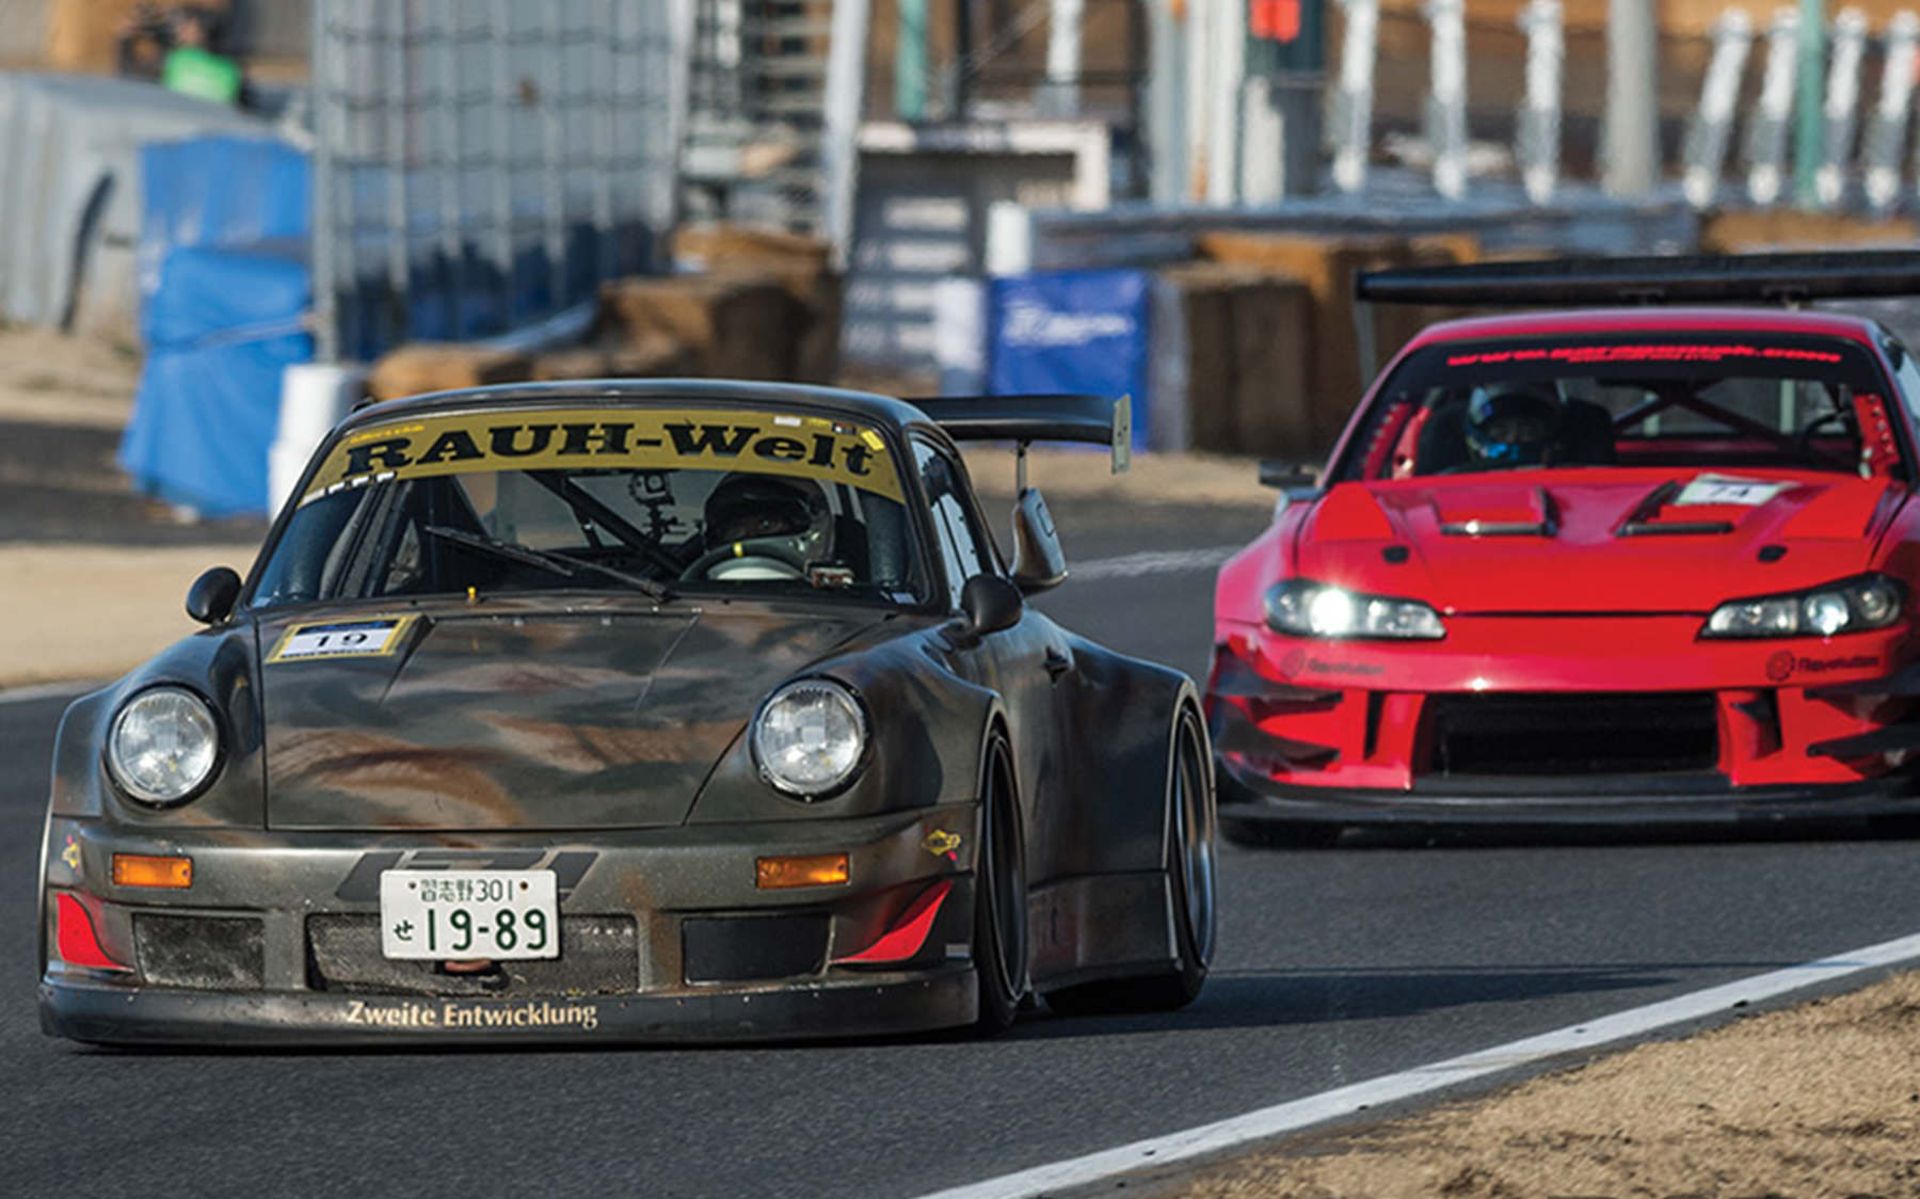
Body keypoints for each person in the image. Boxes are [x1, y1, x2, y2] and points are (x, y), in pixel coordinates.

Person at [1463, 385, 1567, 468]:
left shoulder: (1569, 480)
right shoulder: (1461, 483)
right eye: (1501, 432)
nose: (1512, 439)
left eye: (1527, 431)